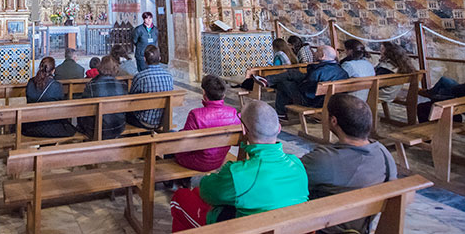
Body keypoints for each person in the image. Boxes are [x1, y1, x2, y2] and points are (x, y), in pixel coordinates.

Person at [170, 100, 308, 230]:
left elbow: (207, 192)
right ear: (279, 128)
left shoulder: (239, 173)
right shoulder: (297, 164)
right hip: (291, 228)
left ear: (243, 129)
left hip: (250, 229)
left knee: (180, 197)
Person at [301, 94, 397, 234]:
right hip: (360, 226)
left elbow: (287, 178)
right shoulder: (384, 154)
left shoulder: (324, 159)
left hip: (323, 229)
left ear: (333, 121)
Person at [252, 45, 349, 117]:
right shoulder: (342, 71)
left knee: (284, 83)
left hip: (313, 102)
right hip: (329, 100)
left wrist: (297, 83)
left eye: (317, 51)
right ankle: (268, 81)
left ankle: (281, 113)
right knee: (293, 74)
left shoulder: (318, 71)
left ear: (322, 55)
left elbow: (306, 90)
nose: (314, 53)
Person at [175, 75, 241, 172]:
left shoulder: (195, 114)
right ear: (223, 95)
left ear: (204, 94)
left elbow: (186, 142)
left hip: (197, 160)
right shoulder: (232, 113)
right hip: (219, 159)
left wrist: (179, 133)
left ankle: (180, 180)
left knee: (172, 143)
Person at [22, 57, 77, 138]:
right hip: (52, 126)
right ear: (53, 70)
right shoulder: (57, 86)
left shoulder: (30, 82)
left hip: (32, 126)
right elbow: (60, 106)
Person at [77, 55, 128, 140]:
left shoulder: (92, 85)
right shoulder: (122, 85)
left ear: (100, 66)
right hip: (118, 127)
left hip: (96, 129)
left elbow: (83, 109)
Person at [417, 51, 465, 122]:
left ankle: (430, 94)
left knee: (444, 82)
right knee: (443, 89)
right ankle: (432, 94)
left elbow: (458, 91)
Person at [127, 45, 173, 129]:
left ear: (144, 59)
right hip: (163, 120)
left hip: (144, 121)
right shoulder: (169, 76)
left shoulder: (140, 77)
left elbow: (131, 98)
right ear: (159, 58)